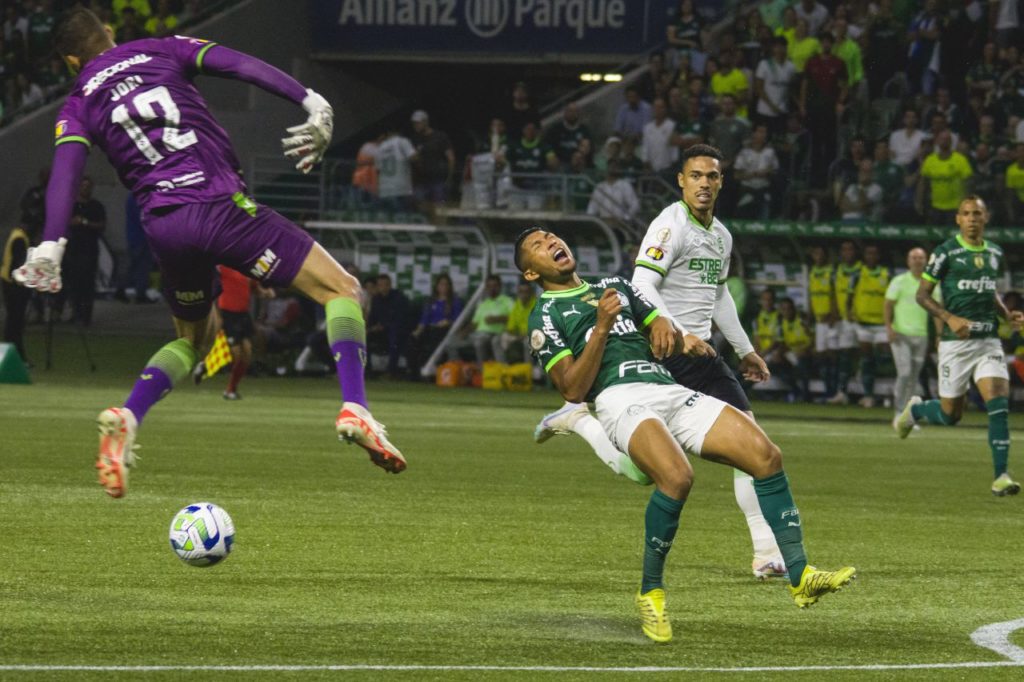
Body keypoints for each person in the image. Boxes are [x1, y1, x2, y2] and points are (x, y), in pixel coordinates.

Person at [14, 8, 406, 497]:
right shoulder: (158, 48)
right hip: (220, 205)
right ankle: (356, 407)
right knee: (341, 288)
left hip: (165, 225)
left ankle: (129, 415)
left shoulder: (77, 102)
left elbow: (66, 172)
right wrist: (310, 99)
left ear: (73, 60)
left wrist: (52, 242)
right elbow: (239, 64)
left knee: (194, 338)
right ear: (109, 34)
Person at [517, 227, 855, 643]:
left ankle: (801, 575)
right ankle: (650, 592)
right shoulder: (546, 314)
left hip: (669, 388)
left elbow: (658, 322)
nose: (551, 243)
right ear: (531, 273)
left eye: (551, 236)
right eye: (537, 245)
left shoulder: (615, 284)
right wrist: (602, 326)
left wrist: (678, 336)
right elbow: (571, 387)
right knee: (676, 477)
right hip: (619, 400)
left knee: (765, 454)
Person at [536, 144, 790, 582]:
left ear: (721, 181)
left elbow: (720, 295)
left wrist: (744, 347)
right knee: (643, 473)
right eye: (695, 176)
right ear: (681, 180)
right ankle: (578, 421)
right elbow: (641, 284)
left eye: (711, 176)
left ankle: (766, 553)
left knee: (754, 442)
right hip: (664, 355)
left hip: (704, 356)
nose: (704, 184)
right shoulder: (669, 226)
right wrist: (675, 330)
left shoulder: (721, 235)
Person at [895, 196, 1024, 496]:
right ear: (958, 219)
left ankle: (1001, 475)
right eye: (966, 214)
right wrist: (949, 318)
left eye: (977, 213)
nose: (972, 219)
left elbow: (988, 291)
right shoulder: (945, 253)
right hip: (956, 343)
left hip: (988, 340)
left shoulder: (994, 252)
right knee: (951, 414)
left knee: (999, 403)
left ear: (986, 217)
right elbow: (922, 296)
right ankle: (917, 410)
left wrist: (1007, 315)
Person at [884, 247, 934, 417]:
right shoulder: (899, 281)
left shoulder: (931, 283)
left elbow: (937, 311)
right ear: (908, 261)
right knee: (904, 373)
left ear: (926, 260)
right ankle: (898, 410)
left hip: (922, 336)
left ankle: (907, 413)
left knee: (913, 377)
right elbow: (888, 305)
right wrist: (889, 328)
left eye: (921, 257)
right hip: (901, 334)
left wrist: (940, 336)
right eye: (914, 257)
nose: (917, 260)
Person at [214, 265, 268, 400]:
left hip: (243, 315)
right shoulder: (223, 268)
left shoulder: (247, 269)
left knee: (247, 353)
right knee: (237, 353)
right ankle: (212, 362)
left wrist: (265, 293)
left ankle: (231, 389)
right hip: (228, 314)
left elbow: (256, 289)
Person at [59, 176, 106, 326]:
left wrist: (84, 222)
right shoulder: (70, 205)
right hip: (72, 249)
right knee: (73, 283)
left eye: (88, 186)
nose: (85, 189)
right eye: (83, 186)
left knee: (87, 283)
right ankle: (75, 312)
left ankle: (85, 316)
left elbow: (101, 225)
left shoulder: (96, 206)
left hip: (88, 250)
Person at [848, 244, 890, 408]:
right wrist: (849, 312)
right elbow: (850, 296)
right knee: (867, 358)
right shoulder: (858, 274)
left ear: (878, 256)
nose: (871, 256)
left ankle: (880, 388)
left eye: (874, 253)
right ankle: (868, 395)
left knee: (884, 357)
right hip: (863, 323)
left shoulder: (886, 274)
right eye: (868, 253)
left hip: (881, 324)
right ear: (864, 256)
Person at [826, 241, 861, 405]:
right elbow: (833, 293)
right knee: (841, 355)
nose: (847, 253)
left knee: (861, 354)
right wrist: (834, 313)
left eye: (850, 249)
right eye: (844, 249)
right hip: (843, 320)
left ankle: (860, 387)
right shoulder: (836, 270)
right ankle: (841, 391)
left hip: (860, 319)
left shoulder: (861, 270)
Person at [408, 273, 463, 377]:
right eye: (441, 284)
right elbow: (424, 320)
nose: (444, 287)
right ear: (437, 286)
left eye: (446, 284)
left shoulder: (455, 301)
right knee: (412, 340)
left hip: (444, 330)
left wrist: (448, 321)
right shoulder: (431, 301)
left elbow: (457, 319)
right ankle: (414, 373)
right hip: (430, 328)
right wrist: (418, 331)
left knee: (435, 337)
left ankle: (430, 371)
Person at [807, 245, 839, 399]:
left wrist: (834, 314)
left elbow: (834, 293)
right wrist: (810, 314)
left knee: (832, 355)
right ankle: (829, 391)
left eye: (820, 253)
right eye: (815, 253)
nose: (817, 256)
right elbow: (812, 294)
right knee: (821, 355)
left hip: (830, 319)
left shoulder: (831, 271)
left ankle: (835, 390)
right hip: (819, 320)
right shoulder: (812, 272)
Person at [410, 110, 454, 211]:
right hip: (421, 181)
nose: (416, 125)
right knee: (418, 206)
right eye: (414, 123)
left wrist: (449, 178)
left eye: (418, 123)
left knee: (440, 208)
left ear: (425, 122)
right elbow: (414, 160)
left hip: (438, 180)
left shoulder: (440, 136)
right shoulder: (415, 139)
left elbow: (451, 157)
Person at [366, 273, 410, 377]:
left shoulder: (398, 298)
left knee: (394, 336)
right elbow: (373, 318)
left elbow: (400, 319)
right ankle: (367, 370)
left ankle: (391, 370)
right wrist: (370, 328)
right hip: (379, 332)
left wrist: (384, 326)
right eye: (380, 285)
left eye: (385, 284)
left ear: (390, 285)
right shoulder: (376, 300)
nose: (383, 287)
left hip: (395, 331)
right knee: (363, 337)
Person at [463, 274, 513, 364]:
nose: (492, 288)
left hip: (496, 333)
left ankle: (484, 372)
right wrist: (463, 333)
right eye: (489, 286)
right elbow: (474, 323)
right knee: (452, 344)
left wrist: (497, 319)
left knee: (479, 343)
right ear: (486, 288)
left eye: (495, 286)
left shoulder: (507, 301)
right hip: (478, 334)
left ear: (500, 287)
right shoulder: (483, 304)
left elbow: (514, 318)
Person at [2, 223, 33, 364]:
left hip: (7, 282)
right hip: (14, 285)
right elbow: (18, 266)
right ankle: (17, 356)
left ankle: (14, 354)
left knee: (13, 322)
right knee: (16, 323)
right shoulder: (20, 239)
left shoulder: (15, 234)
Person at [500, 280, 536, 363]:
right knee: (502, 338)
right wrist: (515, 333)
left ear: (531, 293)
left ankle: (528, 369)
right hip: (519, 335)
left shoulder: (537, 305)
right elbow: (510, 327)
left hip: (532, 335)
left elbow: (538, 328)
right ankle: (504, 367)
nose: (523, 295)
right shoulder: (517, 305)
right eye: (521, 292)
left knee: (528, 342)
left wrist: (523, 335)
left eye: (526, 292)